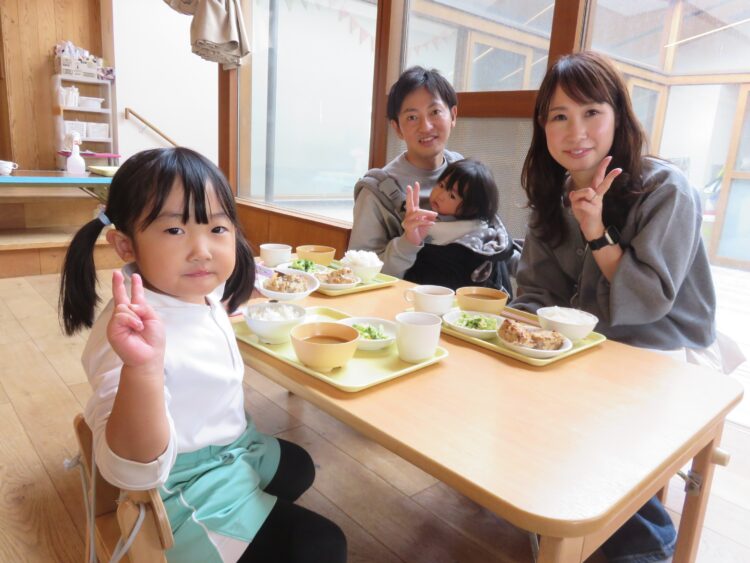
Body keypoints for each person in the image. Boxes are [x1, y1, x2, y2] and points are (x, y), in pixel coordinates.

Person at [59, 147, 347, 563]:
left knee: (298, 465)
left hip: (231, 445)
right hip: (180, 482)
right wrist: (142, 370)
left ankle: (250, 512)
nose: (202, 250)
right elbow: (127, 470)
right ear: (125, 244)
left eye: (217, 227)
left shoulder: (192, 289)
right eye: (175, 230)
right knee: (323, 544)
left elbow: (223, 289)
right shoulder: (129, 336)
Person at [512, 50, 717, 562]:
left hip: (657, 348)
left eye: (591, 112)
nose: (575, 131)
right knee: (515, 408)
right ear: (543, 127)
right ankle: (550, 517)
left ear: (619, 116)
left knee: (596, 436)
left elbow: (649, 302)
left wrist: (596, 231)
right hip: (581, 346)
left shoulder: (666, 189)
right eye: (559, 116)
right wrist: (521, 337)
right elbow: (534, 291)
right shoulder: (553, 193)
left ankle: (647, 546)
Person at [348, 65, 463, 278]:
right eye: (412, 117)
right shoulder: (376, 191)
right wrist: (407, 242)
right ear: (397, 128)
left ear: (453, 115)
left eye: (435, 112)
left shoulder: (466, 173)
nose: (426, 126)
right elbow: (359, 274)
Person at [402, 158, 519, 293]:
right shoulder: (422, 215)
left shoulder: (481, 233)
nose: (440, 196)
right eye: (441, 185)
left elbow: (509, 257)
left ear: (471, 208)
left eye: (452, 196)